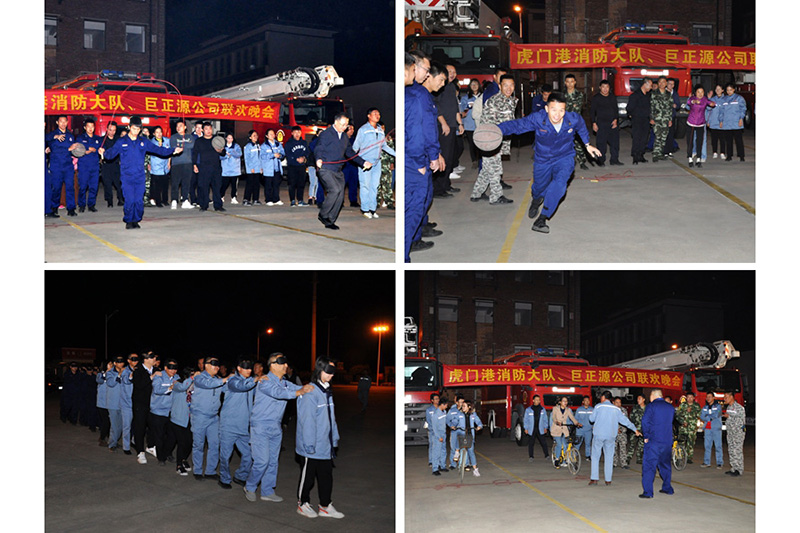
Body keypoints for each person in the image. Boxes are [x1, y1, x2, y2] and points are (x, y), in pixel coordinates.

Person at [498, 92, 602, 234]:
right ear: (547, 109)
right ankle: (536, 200)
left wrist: (587, 144)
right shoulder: (538, 118)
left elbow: (581, 126)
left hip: (564, 157)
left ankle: (542, 218)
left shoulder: (572, 119)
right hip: (543, 159)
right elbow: (518, 125)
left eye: (561, 110)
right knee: (539, 187)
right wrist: (496, 129)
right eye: (553, 110)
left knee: (560, 185)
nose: (557, 115)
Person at [245, 353, 313, 502]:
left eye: (286, 362)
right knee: (262, 461)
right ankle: (250, 486)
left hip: (275, 426)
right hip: (261, 426)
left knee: (273, 461)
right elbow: (278, 393)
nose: (286, 365)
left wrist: (312, 387)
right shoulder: (265, 381)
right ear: (273, 365)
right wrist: (299, 392)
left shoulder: (285, 383)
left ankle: (267, 491)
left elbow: (300, 388)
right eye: (282, 362)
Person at [99, 116, 182, 228]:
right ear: (129, 127)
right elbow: (111, 154)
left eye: (138, 129)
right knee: (130, 200)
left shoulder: (143, 141)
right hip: (127, 176)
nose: (136, 132)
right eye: (134, 129)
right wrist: (103, 153)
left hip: (139, 176)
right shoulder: (121, 141)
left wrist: (173, 151)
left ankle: (136, 220)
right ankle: (129, 220)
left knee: (138, 200)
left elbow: (158, 150)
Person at [405, 58, 446, 259]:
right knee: (414, 207)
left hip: (416, 158)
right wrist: (425, 159)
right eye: (424, 69)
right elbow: (420, 132)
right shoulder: (418, 95)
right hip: (414, 161)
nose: (426, 74)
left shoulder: (417, 94)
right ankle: (408, 249)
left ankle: (416, 236)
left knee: (421, 202)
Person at [296, 357, 343, 519]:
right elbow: (307, 421)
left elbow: (331, 418)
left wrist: (334, 438)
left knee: (326, 476)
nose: (331, 375)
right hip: (311, 445)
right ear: (319, 370)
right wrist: (309, 445)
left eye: (333, 372)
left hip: (325, 445)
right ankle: (302, 503)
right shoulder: (310, 392)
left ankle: (325, 505)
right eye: (328, 371)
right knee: (308, 477)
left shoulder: (327, 391)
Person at [314, 113, 371, 230]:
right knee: (335, 190)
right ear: (336, 122)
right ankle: (323, 214)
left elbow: (350, 152)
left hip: (338, 170)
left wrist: (363, 162)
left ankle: (330, 220)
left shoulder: (345, 137)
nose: (345, 127)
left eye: (346, 125)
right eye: (342, 124)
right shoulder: (326, 134)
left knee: (340, 196)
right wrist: (318, 159)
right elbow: (319, 147)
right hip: (325, 168)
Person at [470, 74, 517, 205]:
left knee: (487, 169)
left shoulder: (510, 101)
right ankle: (496, 196)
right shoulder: (494, 101)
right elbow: (487, 124)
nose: (509, 88)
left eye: (511, 85)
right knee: (495, 170)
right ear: (500, 86)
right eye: (505, 85)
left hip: (500, 142)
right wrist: (490, 142)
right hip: (490, 141)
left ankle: (476, 193)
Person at [218, 358, 257, 489]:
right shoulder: (232, 380)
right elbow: (242, 386)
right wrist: (255, 380)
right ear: (239, 368)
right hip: (228, 425)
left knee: (249, 455)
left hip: (243, 427)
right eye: (246, 368)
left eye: (250, 368)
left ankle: (240, 476)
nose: (249, 370)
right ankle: (224, 478)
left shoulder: (251, 382)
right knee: (225, 456)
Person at [588, 391, 640, 486]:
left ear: (603, 397)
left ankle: (594, 479)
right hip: (611, 435)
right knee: (609, 457)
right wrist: (635, 429)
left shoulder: (598, 406)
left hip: (599, 435)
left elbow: (591, 419)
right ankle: (608, 480)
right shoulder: (616, 409)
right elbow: (625, 421)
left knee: (595, 456)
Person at [191, 356, 229, 480]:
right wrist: (225, 379)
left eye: (218, 364)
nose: (217, 367)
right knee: (199, 445)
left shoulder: (218, 379)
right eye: (214, 363)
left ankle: (210, 471)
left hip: (214, 417)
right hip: (200, 416)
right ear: (206, 365)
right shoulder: (199, 377)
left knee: (215, 444)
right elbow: (208, 384)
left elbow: (228, 388)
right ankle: (197, 470)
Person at [353, 108, 395, 218]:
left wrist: (396, 154)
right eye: (375, 113)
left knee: (374, 186)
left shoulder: (380, 130)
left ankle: (372, 209)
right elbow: (355, 147)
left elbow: (384, 146)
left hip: (377, 162)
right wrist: (357, 160)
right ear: (369, 116)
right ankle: (365, 209)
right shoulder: (363, 130)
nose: (377, 115)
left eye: (379, 114)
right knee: (365, 186)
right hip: (365, 162)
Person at [432, 64, 464, 198]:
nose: (452, 74)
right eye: (449, 71)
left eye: (454, 72)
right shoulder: (439, 88)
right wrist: (443, 123)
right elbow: (436, 107)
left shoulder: (451, 87)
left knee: (450, 157)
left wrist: (460, 123)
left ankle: (446, 184)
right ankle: (438, 189)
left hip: (452, 126)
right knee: (443, 156)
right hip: (443, 127)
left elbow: (455, 108)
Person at [639, 389, 675, 498]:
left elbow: (645, 421)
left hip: (654, 441)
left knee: (649, 466)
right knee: (665, 465)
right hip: (667, 441)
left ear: (653, 395)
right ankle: (667, 488)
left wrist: (646, 436)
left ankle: (648, 492)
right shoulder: (670, 407)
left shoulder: (651, 406)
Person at [46, 115, 81, 217]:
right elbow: (54, 149)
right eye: (61, 121)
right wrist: (56, 137)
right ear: (57, 122)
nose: (63, 123)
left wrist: (76, 149)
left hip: (68, 166)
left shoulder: (70, 136)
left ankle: (71, 209)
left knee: (70, 187)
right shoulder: (52, 135)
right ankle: (54, 208)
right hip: (56, 166)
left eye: (65, 121)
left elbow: (72, 151)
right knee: (56, 188)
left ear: (67, 122)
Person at [149, 358, 180, 466]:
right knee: (159, 436)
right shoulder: (159, 376)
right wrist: (170, 388)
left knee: (172, 436)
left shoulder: (177, 377)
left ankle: (167, 453)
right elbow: (157, 390)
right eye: (171, 368)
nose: (173, 370)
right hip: (158, 411)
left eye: (175, 368)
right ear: (165, 367)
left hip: (172, 412)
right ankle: (161, 457)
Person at [191, 122, 226, 212]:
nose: (208, 131)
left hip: (216, 167)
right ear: (203, 130)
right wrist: (194, 165)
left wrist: (220, 150)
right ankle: (204, 205)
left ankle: (218, 205)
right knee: (204, 187)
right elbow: (195, 153)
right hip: (204, 167)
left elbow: (223, 152)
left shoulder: (216, 139)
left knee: (217, 187)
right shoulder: (199, 141)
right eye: (206, 129)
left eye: (210, 129)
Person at [131, 351, 157, 464]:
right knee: (140, 428)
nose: (154, 358)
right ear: (145, 359)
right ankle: (140, 451)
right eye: (152, 357)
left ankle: (151, 446)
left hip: (153, 404)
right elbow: (139, 385)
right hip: (140, 404)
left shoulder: (156, 370)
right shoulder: (138, 370)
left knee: (153, 426)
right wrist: (152, 377)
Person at [169, 367, 195, 475]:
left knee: (189, 442)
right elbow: (183, 387)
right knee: (182, 442)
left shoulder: (194, 386)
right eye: (191, 375)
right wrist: (192, 378)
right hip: (178, 418)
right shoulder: (177, 384)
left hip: (189, 418)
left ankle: (184, 459)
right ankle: (179, 465)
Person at [590, 80, 622, 167]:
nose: (605, 89)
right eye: (603, 87)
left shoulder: (612, 97)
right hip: (601, 123)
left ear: (609, 88)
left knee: (615, 143)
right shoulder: (596, 98)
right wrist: (594, 123)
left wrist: (615, 120)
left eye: (607, 87)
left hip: (612, 123)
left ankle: (614, 160)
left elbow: (616, 109)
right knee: (601, 143)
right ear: (600, 88)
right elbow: (592, 111)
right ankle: (601, 161)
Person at [75, 118, 103, 212]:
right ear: (85, 127)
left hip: (94, 166)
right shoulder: (80, 138)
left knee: (94, 187)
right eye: (88, 126)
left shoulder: (98, 139)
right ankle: (82, 205)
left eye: (92, 126)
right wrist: (89, 149)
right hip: (84, 166)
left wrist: (90, 149)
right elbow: (79, 149)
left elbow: (100, 148)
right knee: (83, 187)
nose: (90, 128)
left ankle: (91, 205)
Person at [685, 85, 716, 168]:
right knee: (690, 141)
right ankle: (690, 158)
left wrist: (712, 104)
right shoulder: (692, 98)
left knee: (700, 141)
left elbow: (711, 103)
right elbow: (689, 103)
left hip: (701, 123)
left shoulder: (704, 99)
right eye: (698, 92)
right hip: (691, 123)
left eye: (702, 92)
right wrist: (694, 101)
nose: (700, 94)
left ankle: (699, 159)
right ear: (695, 92)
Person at [564, 73, 588, 170]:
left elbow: (577, 109)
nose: (570, 84)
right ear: (565, 83)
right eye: (568, 82)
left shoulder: (579, 95)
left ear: (575, 82)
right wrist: (571, 106)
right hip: (564, 124)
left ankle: (582, 161)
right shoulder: (562, 96)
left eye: (572, 82)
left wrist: (567, 107)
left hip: (576, 123)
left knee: (579, 143)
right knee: (564, 144)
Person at [169, 120, 195, 209]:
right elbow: (174, 147)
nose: (178, 128)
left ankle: (185, 200)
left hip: (187, 163)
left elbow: (192, 145)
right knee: (175, 183)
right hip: (176, 163)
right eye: (177, 126)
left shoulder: (190, 137)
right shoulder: (173, 137)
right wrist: (184, 145)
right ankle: (174, 200)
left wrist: (181, 145)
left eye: (180, 126)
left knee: (186, 183)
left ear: (185, 127)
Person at [626, 78, 652, 164]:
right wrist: (632, 115)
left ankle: (641, 155)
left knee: (644, 138)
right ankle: (635, 156)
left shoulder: (648, 96)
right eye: (650, 85)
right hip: (637, 120)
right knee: (637, 138)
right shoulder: (635, 95)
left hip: (646, 120)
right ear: (645, 84)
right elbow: (629, 108)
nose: (651, 87)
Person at [104, 356, 127, 452]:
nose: (121, 363)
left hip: (123, 403)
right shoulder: (110, 373)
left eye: (122, 361)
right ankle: (112, 444)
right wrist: (119, 375)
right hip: (113, 403)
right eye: (118, 361)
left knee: (121, 426)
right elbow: (110, 383)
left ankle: (115, 441)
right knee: (114, 425)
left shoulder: (126, 372)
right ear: (115, 363)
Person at [283, 126, 310, 207]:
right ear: (292, 133)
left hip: (302, 166)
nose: (297, 134)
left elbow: (307, 153)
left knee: (301, 183)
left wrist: (304, 158)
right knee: (292, 184)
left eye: (298, 132)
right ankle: (292, 200)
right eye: (295, 132)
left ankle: (300, 200)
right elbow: (288, 154)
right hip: (292, 166)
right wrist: (296, 159)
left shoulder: (304, 143)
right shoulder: (289, 143)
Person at [100, 121, 124, 208]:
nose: (112, 132)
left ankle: (120, 199)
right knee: (107, 183)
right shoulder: (102, 140)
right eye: (110, 130)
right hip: (106, 165)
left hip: (116, 164)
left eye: (114, 130)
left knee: (119, 183)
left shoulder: (118, 139)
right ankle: (109, 201)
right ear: (107, 129)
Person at [720, 83, 747, 162]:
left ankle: (741, 156)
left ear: (734, 90)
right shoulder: (724, 99)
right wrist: (721, 120)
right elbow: (721, 111)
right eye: (727, 90)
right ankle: (729, 155)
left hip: (736, 122)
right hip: (727, 123)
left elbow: (743, 109)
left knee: (739, 140)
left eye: (730, 90)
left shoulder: (739, 98)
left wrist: (741, 119)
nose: (729, 92)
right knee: (728, 140)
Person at [551, 396, 579, 467]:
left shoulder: (568, 410)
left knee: (565, 444)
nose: (565, 402)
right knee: (559, 444)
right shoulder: (555, 409)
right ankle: (557, 459)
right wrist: (556, 422)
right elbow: (553, 417)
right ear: (560, 402)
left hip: (564, 429)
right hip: (556, 429)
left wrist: (577, 423)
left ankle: (564, 460)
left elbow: (572, 417)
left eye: (566, 401)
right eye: (564, 401)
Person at [650, 76, 674, 162]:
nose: (661, 84)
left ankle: (660, 153)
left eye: (663, 82)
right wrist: (651, 118)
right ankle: (655, 154)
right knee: (658, 136)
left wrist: (670, 119)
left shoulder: (668, 94)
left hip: (665, 119)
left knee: (664, 137)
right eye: (660, 82)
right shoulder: (654, 94)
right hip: (657, 118)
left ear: (666, 83)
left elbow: (670, 108)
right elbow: (651, 107)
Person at [460, 79, 482, 168]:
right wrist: (468, 107)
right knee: (472, 144)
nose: (474, 86)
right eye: (472, 84)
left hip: (480, 123)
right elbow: (462, 111)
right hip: (469, 125)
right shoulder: (465, 98)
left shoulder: (483, 97)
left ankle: (481, 160)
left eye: (476, 84)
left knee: (480, 143)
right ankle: (474, 161)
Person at [723, 391, 746, 476]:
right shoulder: (729, 407)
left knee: (737, 450)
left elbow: (741, 421)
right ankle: (733, 468)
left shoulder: (739, 408)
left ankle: (739, 469)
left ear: (731, 397)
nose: (724, 399)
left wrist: (729, 417)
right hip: (730, 432)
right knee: (731, 450)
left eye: (726, 397)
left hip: (737, 433)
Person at [148, 126, 171, 208]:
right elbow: (149, 154)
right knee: (157, 186)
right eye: (157, 132)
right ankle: (158, 201)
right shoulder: (151, 142)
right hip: (156, 165)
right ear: (154, 134)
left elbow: (170, 151)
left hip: (165, 166)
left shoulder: (167, 140)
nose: (159, 134)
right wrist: (149, 164)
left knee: (165, 184)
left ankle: (165, 200)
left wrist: (169, 162)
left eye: (160, 132)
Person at [260, 129, 285, 206]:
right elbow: (262, 156)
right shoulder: (264, 146)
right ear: (267, 136)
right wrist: (273, 155)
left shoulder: (278, 144)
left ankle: (276, 199)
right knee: (268, 185)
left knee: (276, 184)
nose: (272, 135)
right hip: (268, 168)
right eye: (270, 134)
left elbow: (283, 153)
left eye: (273, 134)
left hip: (277, 168)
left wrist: (280, 155)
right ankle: (268, 199)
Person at [675, 392, 701, 463]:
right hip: (683, 427)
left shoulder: (696, 406)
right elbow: (677, 415)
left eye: (691, 397)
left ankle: (689, 457)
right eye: (688, 397)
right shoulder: (683, 405)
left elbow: (699, 414)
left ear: (694, 398)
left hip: (692, 427)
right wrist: (682, 421)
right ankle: (679, 457)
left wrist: (692, 411)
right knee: (681, 442)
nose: (689, 399)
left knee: (691, 442)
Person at [699, 391, 723, 469]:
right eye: (707, 397)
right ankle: (707, 462)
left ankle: (719, 463)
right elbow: (701, 416)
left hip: (716, 428)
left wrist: (707, 416)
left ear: (713, 398)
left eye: (710, 397)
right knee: (707, 446)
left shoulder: (718, 406)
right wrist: (709, 417)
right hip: (707, 429)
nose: (708, 398)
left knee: (718, 446)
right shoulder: (705, 407)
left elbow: (717, 414)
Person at [523, 394, 550, 461]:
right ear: (533, 400)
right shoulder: (529, 410)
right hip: (532, 429)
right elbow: (526, 419)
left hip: (540, 429)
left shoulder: (542, 409)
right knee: (531, 443)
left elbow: (545, 419)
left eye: (539, 400)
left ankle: (547, 455)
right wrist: (526, 428)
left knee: (543, 443)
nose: (538, 401)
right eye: (536, 400)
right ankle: (531, 456)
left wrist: (545, 427)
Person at [462, 401, 483, 476]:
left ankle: (475, 469)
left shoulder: (473, 415)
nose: (463, 407)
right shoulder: (460, 415)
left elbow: (479, 422)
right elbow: (454, 421)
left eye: (464, 406)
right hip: (462, 436)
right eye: (462, 406)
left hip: (470, 435)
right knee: (463, 451)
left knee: (471, 452)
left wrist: (479, 426)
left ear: (469, 407)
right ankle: (466, 464)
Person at [220, 133, 242, 205]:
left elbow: (239, 154)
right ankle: (221, 196)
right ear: (226, 138)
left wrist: (232, 152)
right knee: (224, 184)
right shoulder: (222, 146)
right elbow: (219, 156)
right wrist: (226, 156)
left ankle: (233, 197)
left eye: (231, 138)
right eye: (228, 138)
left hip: (234, 169)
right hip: (225, 169)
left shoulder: (236, 146)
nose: (230, 140)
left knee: (234, 185)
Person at [242, 130, 262, 206]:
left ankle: (255, 199)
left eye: (256, 135)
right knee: (250, 184)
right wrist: (251, 167)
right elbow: (247, 158)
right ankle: (246, 199)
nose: (256, 137)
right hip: (251, 169)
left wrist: (261, 167)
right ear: (250, 137)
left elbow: (260, 157)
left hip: (257, 168)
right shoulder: (248, 146)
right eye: (254, 135)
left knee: (257, 184)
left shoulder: (258, 146)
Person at [430, 397, 449, 475]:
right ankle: (435, 469)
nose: (447, 407)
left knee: (443, 451)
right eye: (446, 405)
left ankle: (442, 466)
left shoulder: (444, 412)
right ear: (442, 405)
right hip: (438, 435)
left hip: (443, 434)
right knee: (436, 452)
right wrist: (438, 437)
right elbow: (434, 427)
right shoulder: (435, 414)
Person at [707, 84, 726, 160]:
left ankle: (722, 152)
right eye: (716, 89)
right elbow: (708, 110)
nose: (717, 90)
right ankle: (714, 152)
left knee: (722, 139)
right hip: (713, 122)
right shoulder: (712, 99)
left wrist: (723, 121)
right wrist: (708, 121)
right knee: (714, 139)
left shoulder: (725, 99)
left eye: (719, 89)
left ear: (722, 90)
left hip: (722, 123)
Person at [447, 394, 466, 469]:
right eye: (460, 402)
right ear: (457, 402)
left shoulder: (465, 411)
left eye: (463, 402)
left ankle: (463, 464)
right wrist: (450, 425)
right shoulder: (452, 410)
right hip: (454, 431)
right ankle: (453, 464)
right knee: (453, 447)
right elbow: (447, 420)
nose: (462, 404)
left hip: (462, 431)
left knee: (463, 448)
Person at [664, 78, 681, 157]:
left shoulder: (675, 93)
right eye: (669, 84)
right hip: (663, 117)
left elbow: (678, 105)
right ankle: (663, 151)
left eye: (672, 84)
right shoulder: (662, 92)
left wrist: (675, 105)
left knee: (671, 134)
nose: (671, 85)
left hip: (672, 116)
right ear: (666, 84)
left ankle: (669, 150)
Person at [378, 128, 395, 209]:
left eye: (383, 128)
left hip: (386, 165)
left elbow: (392, 150)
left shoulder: (388, 139)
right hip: (376, 165)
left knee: (387, 184)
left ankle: (389, 202)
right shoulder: (374, 138)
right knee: (376, 184)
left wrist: (392, 163)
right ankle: (376, 202)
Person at [627, 394, 646, 465]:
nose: (638, 400)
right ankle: (628, 458)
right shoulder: (635, 408)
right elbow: (631, 417)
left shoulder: (647, 408)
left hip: (644, 430)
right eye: (637, 399)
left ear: (643, 399)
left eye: (639, 399)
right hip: (635, 429)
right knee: (632, 444)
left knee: (641, 445)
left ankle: (639, 458)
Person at [574, 395, 594, 460]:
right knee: (577, 443)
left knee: (588, 443)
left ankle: (588, 455)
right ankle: (574, 455)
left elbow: (594, 419)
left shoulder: (592, 409)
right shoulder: (579, 409)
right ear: (583, 402)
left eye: (588, 401)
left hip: (588, 430)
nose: (587, 402)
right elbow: (575, 419)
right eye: (585, 401)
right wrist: (577, 424)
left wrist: (593, 426)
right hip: (580, 430)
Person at [613, 397, 630, 468]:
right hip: (613, 433)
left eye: (619, 402)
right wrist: (615, 429)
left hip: (622, 433)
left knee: (623, 448)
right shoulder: (611, 410)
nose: (618, 404)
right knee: (613, 448)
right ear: (613, 402)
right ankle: (614, 463)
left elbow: (626, 421)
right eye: (616, 402)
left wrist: (621, 430)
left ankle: (624, 463)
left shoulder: (623, 410)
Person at [425, 393, 441, 467]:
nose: (437, 400)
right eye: (436, 399)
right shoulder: (429, 410)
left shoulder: (440, 409)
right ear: (432, 400)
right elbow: (429, 421)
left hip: (440, 431)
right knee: (432, 446)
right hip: (432, 431)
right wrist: (434, 429)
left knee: (439, 446)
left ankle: (439, 461)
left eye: (438, 399)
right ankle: (431, 461)